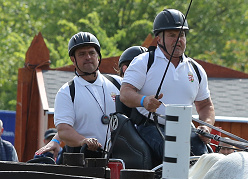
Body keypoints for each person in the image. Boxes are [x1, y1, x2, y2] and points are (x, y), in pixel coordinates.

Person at [119, 9, 214, 165]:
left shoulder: (196, 70)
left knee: (205, 160)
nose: (178, 40)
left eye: (182, 35)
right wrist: (144, 100)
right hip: (150, 126)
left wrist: (205, 127)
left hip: (184, 127)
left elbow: (205, 106)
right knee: (174, 153)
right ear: (159, 38)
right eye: (172, 35)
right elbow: (125, 93)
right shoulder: (143, 62)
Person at [51, 32, 121, 160]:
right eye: (82, 54)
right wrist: (84, 141)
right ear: (73, 59)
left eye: (91, 53)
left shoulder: (118, 83)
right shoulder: (67, 92)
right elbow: (64, 130)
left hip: (119, 157)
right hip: (84, 160)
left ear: (98, 56)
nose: (88, 57)